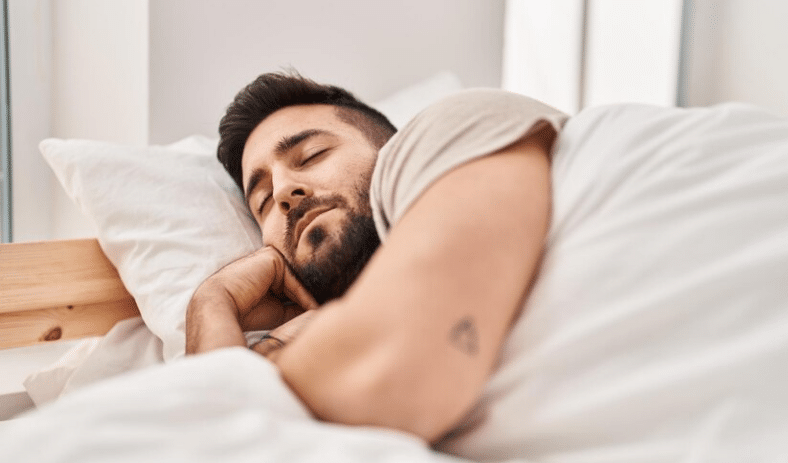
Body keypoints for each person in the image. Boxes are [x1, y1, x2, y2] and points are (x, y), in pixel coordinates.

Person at [185, 71, 566, 443]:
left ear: (389, 149)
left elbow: (395, 380)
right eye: (263, 202)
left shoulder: (447, 128)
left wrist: (270, 353)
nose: (284, 190)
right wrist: (212, 304)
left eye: (312, 155)